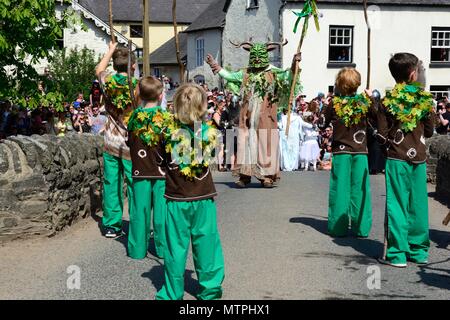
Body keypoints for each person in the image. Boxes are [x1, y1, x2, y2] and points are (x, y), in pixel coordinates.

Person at [156, 83, 225, 300]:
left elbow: (160, 162)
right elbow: (212, 157)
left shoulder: (166, 133)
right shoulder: (210, 133)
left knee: (175, 247)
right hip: (203, 196)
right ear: (203, 107)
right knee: (206, 243)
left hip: (177, 197)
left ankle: (172, 292)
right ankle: (210, 289)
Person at [206, 40, 301, 188]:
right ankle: (245, 176)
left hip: (266, 117)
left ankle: (267, 176)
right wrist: (215, 65)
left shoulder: (273, 73)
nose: (256, 59)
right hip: (247, 118)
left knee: (266, 143)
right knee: (245, 144)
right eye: (254, 56)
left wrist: (294, 64)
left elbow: (288, 76)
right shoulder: (245, 73)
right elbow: (230, 76)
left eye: (259, 56)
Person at [374, 53, 435, 267]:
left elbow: (381, 135)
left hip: (396, 156)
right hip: (418, 157)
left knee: (397, 204)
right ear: (412, 74)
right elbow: (429, 131)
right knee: (418, 204)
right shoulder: (425, 100)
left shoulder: (387, 101)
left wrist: (387, 148)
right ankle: (418, 251)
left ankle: (397, 254)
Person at [319, 67, 375, 238]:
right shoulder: (365, 103)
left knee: (340, 188)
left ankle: (338, 226)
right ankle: (361, 228)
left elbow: (321, 124)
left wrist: (326, 107)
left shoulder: (334, 104)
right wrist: (371, 97)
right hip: (360, 150)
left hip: (341, 150)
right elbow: (377, 119)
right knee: (360, 189)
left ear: (339, 84)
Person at [96, 41, 137, 238]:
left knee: (111, 182)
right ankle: (139, 223)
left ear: (115, 66)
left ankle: (112, 224)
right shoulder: (137, 87)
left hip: (111, 140)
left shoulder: (108, 82)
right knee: (134, 184)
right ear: (133, 66)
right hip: (131, 144)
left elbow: (98, 69)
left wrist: (110, 50)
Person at [126, 76, 168, 260]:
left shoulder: (134, 118)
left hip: (139, 169)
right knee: (161, 212)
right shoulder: (166, 118)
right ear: (160, 96)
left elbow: (129, 142)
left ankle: (137, 249)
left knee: (139, 211)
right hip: (162, 172)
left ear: (140, 96)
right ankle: (163, 249)